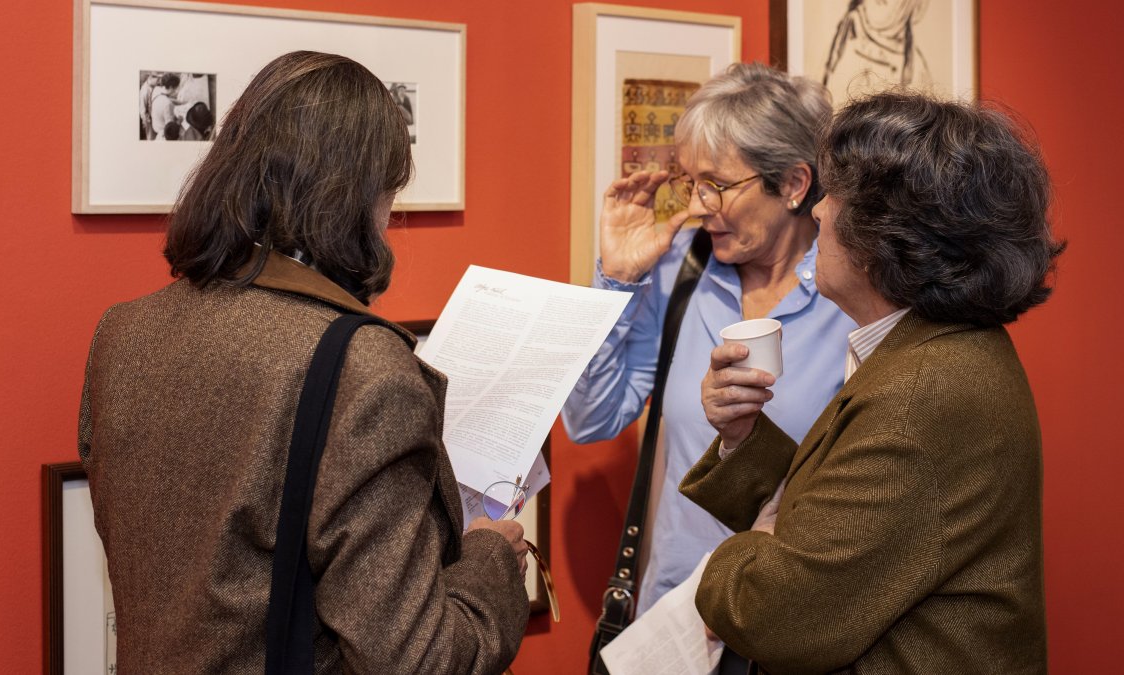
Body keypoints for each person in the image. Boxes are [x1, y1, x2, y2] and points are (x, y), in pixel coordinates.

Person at [78, 51, 529, 674]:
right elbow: (418, 661)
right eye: (390, 196)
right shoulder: (362, 366)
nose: (390, 218)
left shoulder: (123, 332)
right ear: (360, 197)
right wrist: (491, 561)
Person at [684, 92, 1062, 673]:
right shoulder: (931, 351)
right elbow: (838, 515)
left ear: (888, 234)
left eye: (834, 196)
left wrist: (727, 563)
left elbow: (778, 617)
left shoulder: (922, 395)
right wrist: (742, 437)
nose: (816, 212)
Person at [562, 62, 856, 614]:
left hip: (790, 620)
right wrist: (618, 280)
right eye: (691, 183)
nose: (697, 206)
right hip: (675, 614)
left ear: (793, 184)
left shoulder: (855, 295)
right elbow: (590, 420)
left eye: (717, 186)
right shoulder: (683, 270)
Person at [149, 73, 181, 140]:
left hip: (156, 126)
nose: (176, 91)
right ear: (171, 87)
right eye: (175, 88)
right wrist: (179, 121)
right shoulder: (168, 104)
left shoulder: (156, 90)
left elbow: (164, 98)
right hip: (164, 134)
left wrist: (180, 102)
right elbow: (170, 129)